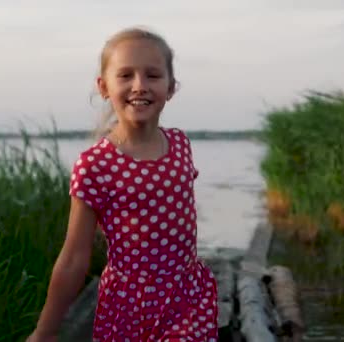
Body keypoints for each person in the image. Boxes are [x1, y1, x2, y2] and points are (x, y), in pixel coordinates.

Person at [26, 27, 218, 342]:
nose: (139, 86)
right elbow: (75, 257)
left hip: (188, 298)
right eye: (125, 75)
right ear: (103, 87)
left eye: (153, 75)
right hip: (130, 306)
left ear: (171, 87)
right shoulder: (95, 166)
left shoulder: (181, 144)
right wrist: (45, 331)